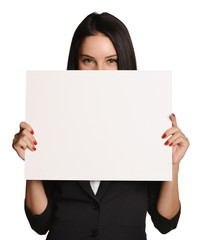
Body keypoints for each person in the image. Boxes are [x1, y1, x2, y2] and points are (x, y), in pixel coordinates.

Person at [12, 12, 190, 240]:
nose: (99, 73)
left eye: (111, 61)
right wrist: (33, 161)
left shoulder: (147, 120)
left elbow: (165, 222)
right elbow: (39, 222)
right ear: (76, 64)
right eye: (88, 61)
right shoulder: (52, 116)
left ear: (123, 62)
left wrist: (172, 165)